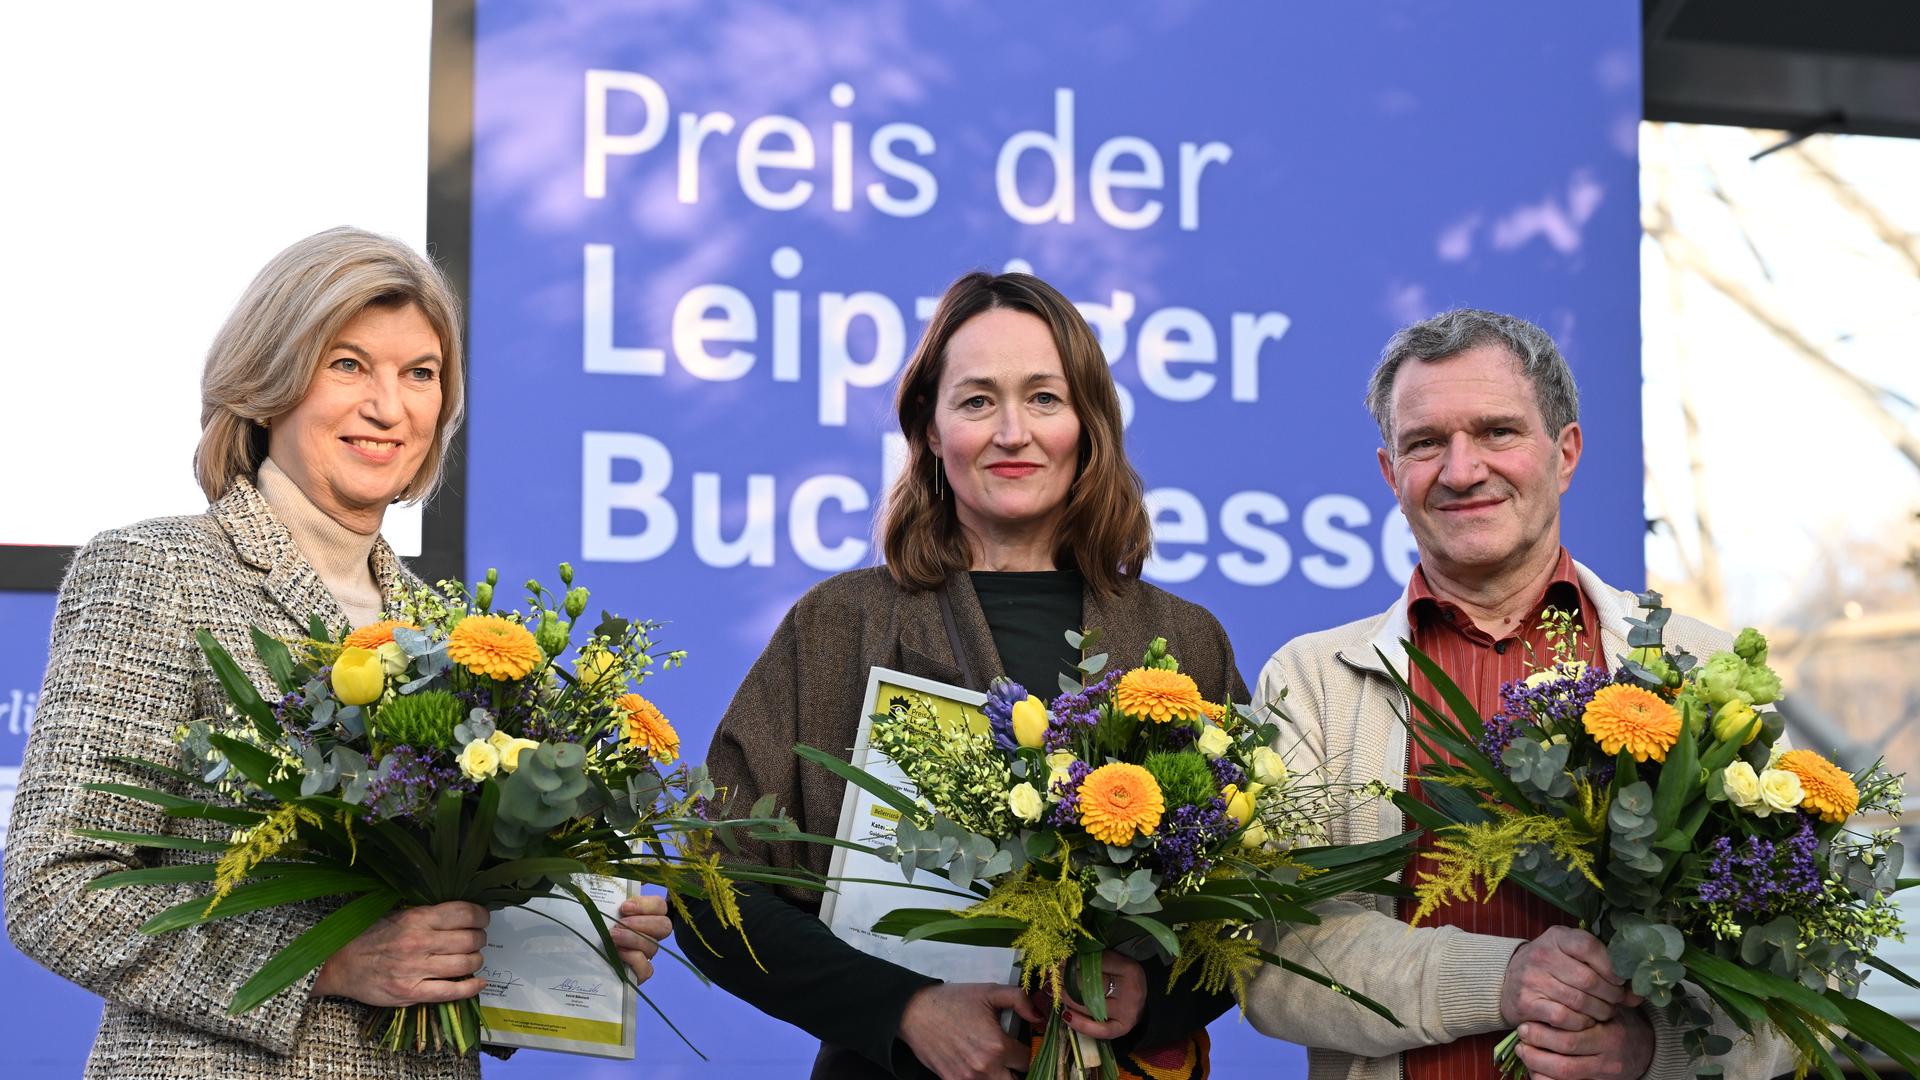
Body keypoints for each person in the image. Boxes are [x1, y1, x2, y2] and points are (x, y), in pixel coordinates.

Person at [2, 227, 671, 1078]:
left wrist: (567, 948)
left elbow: (436, 937)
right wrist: (324, 965)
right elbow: (57, 888)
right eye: (348, 365)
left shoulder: (450, 631)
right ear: (267, 382)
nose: (390, 407)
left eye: (420, 373)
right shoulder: (158, 570)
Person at [647, 270, 1244, 1080]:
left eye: (1044, 398)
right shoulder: (840, 625)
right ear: (929, 429)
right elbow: (709, 885)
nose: (1012, 432)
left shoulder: (1183, 641)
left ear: (1089, 423)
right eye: (977, 401)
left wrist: (1153, 998)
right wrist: (901, 1009)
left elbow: (1253, 904)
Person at [1241, 309, 1793, 1080]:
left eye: (1497, 432)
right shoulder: (1312, 682)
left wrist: (1653, 1052)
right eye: (1425, 443)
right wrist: (1500, 980)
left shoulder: (1703, 670)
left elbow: (1802, 975)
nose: (1462, 470)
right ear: (1390, 474)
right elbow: (1274, 957)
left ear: (1565, 453)